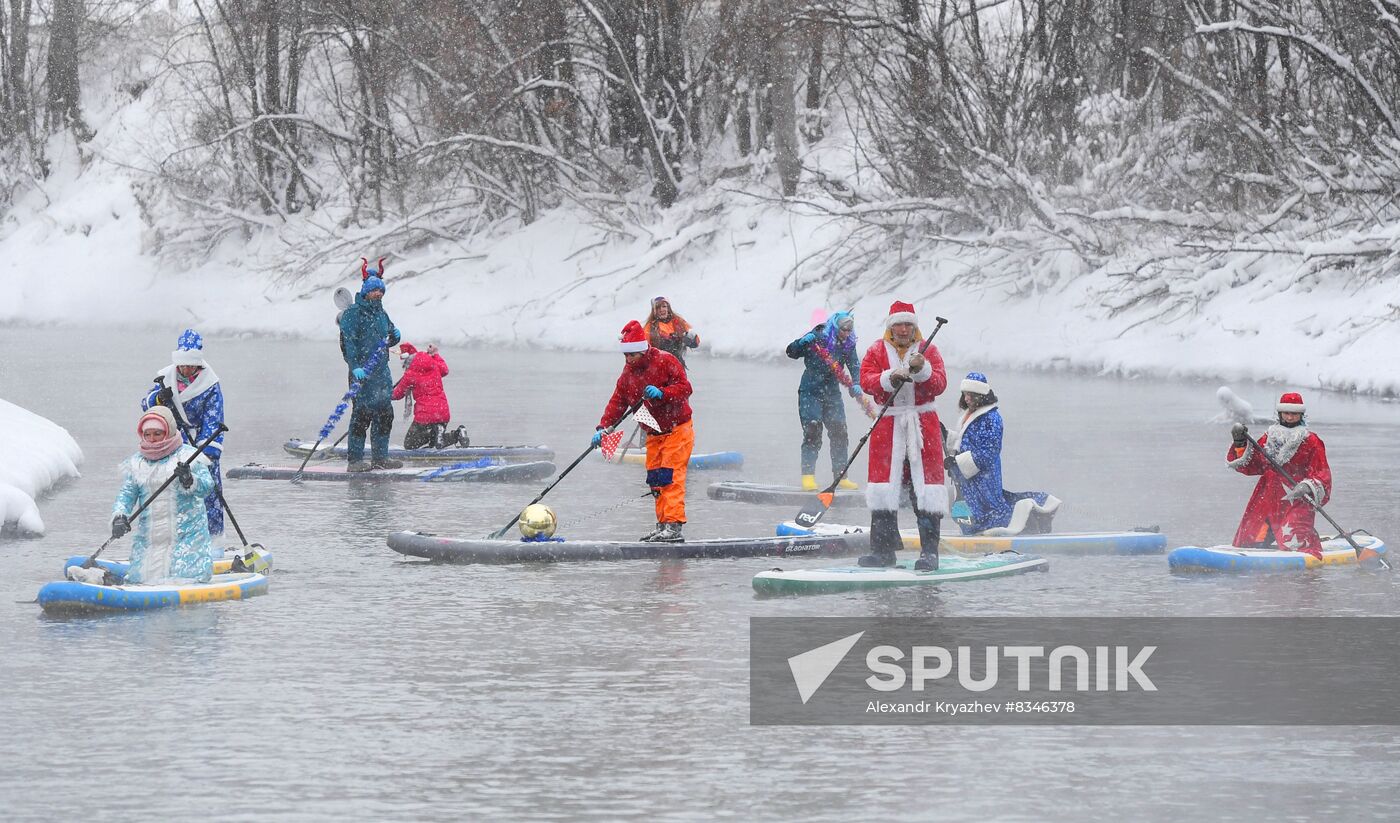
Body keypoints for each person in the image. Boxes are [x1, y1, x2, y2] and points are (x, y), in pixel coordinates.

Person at [856, 301, 947, 570]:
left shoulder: (929, 350)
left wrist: (923, 372)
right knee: (883, 489)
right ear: (891, 328)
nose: (904, 329)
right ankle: (883, 551)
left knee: (927, 491)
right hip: (889, 425)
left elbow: (940, 384)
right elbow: (866, 381)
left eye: (908, 324)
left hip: (923, 424)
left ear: (915, 327)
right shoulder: (875, 350)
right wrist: (889, 378)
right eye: (899, 324)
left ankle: (929, 553)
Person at [594, 320, 695, 542]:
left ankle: (674, 526)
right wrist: (603, 428)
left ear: (642, 350)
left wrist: (663, 392)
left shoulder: (666, 360)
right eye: (625, 356)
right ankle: (662, 526)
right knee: (656, 481)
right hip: (653, 433)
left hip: (677, 429)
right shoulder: (627, 374)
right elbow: (617, 402)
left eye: (632, 356)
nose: (628, 360)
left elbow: (686, 388)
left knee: (671, 478)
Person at [944, 372, 1061, 535]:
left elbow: (988, 451)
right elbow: (967, 441)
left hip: (984, 477)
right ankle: (970, 534)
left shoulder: (992, 418)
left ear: (981, 395)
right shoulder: (969, 414)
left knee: (986, 510)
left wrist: (958, 462)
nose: (966, 399)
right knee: (965, 509)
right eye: (964, 394)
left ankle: (1024, 522)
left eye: (970, 395)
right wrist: (948, 437)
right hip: (967, 478)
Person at [111, 407, 216, 584]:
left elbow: (207, 487)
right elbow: (127, 494)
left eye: (157, 434)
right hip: (149, 539)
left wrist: (189, 479)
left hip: (187, 537)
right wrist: (120, 516)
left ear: (169, 432)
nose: (152, 439)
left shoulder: (189, 456)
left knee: (184, 578)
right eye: (148, 434)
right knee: (142, 579)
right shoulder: (136, 463)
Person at [143, 328, 225, 539]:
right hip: (171, 442)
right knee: (170, 492)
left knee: (208, 491)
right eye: (182, 365)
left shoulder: (211, 384)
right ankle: (169, 538)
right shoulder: (164, 377)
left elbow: (213, 420)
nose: (186, 369)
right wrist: (159, 398)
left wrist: (200, 455)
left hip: (201, 445)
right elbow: (146, 405)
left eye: (190, 365)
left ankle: (213, 539)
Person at [1228, 391, 1331, 559]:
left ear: (1301, 415)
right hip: (1267, 496)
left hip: (1296, 499)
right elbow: (1253, 465)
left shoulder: (1311, 441)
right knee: (1252, 538)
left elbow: (1322, 473)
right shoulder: (1270, 436)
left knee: (1295, 542)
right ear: (1280, 414)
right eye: (1287, 413)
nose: (1290, 417)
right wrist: (1240, 444)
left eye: (1294, 414)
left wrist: (1307, 486)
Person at [786, 310, 863, 491]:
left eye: (849, 330)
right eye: (843, 329)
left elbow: (854, 364)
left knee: (839, 432)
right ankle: (808, 476)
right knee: (812, 431)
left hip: (832, 392)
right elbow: (791, 352)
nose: (846, 333)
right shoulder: (818, 337)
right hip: (810, 391)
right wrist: (800, 343)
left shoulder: (848, 344)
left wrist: (856, 383)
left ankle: (841, 476)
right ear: (836, 327)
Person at [339, 267, 403, 471]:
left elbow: (389, 336)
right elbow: (348, 344)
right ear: (366, 291)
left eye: (381, 291)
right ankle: (355, 461)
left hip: (382, 373)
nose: (379, 294)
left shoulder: (381, 313)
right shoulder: (352, 314)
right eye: (375, 290)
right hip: (362, 374)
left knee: (385, 415)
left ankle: (380, 458)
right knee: (362, 416)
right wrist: (355, 366)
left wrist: (395, 336)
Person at [393, 342, 469, 449]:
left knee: (409, 444)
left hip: (425, 416)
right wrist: (435, 354)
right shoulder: (433, 365)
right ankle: (457, 434)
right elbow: (445, 370)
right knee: (437, 444)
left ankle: (436, 432)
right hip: (442, 413)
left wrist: (383, 394)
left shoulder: (410, 374)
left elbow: (397, 394)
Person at [645, 297, 700, 369]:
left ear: (668, 308)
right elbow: (643, 351)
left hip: (678, 367)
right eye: (658, 308)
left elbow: (696, 341)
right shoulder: (649, 328)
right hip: (659, 368)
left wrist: (690, 340)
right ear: (654, 311)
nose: (661, 310)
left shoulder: (678, 322)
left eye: (664, 306)